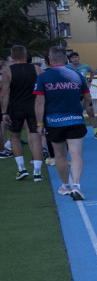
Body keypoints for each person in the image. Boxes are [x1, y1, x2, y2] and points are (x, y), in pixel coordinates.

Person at [34, 47, 89, 200]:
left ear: (50, 60)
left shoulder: (43, 77)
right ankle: (77, 185)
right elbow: (88, 97)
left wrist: (39, 124)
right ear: (66, 59)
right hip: (75, 119)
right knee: (76, 153)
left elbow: (39, 101)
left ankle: (65, 185)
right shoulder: (77, 75)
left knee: (60, 155)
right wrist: (82, 111)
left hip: (54, 121)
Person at [1, 45, 44, 181]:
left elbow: (4, 93)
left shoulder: (8, 71)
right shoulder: (37, 69)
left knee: (14, 138)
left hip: (16, 108)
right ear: (26, 55)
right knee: (35, 137)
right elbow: (43, 89)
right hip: (33, 107)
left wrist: (3, 113)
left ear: (12, 57)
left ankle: (21, 169)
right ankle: (37, 172)